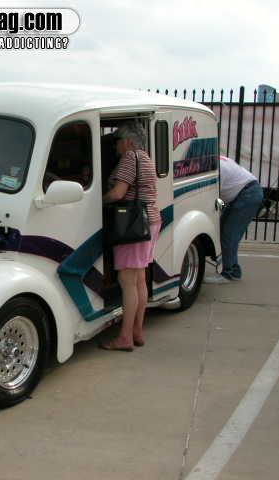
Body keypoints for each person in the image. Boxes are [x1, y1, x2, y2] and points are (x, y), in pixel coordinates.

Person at [100, 122, 161, 351]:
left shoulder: (129, 158)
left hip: (131, 226)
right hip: (149, 221)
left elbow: (118, 193)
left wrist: (98, 201)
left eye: (118, 140)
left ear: (128, 141)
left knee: (127, 281)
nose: (115, 145)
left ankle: (125, 337)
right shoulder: (146, 158)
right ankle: (137, 331)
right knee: (139, 279)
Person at [204, 156, 263, 284]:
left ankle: (228, 273)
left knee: (229, 234)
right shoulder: (217, 160)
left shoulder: (216, 168)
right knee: (225, 232)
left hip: (247, 195)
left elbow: (213, 197)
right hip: (247, 192)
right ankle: (234, 271)